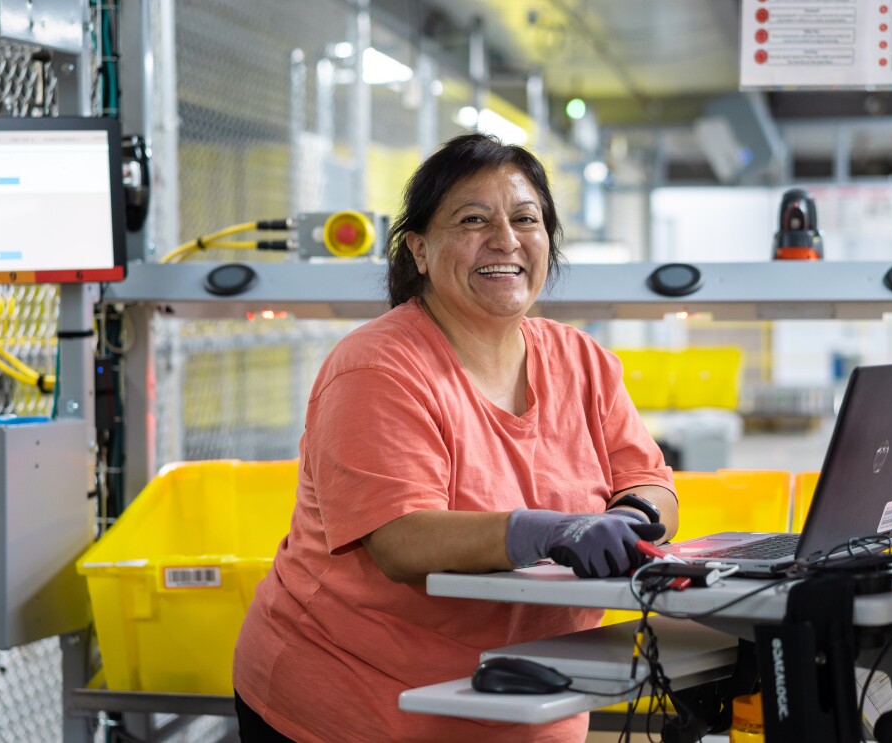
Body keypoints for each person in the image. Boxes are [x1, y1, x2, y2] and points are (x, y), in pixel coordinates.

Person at [233, 132, 679, 743]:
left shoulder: (582, 359)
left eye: (526, 219)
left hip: (526, 697)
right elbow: (400, 538)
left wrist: (634, 517)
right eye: (474, 220)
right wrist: (550, 531)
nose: (505, 240)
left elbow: (650, 479)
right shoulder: (379, 367)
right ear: (419, 249)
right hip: (361, 703)